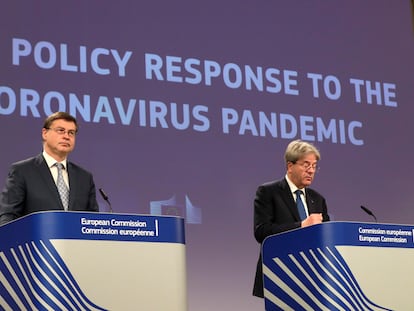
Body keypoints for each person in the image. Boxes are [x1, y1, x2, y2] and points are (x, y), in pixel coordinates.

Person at [252, 139, 330, 298]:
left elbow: (327, 238)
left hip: (313, 279)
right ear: (290, 166)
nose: (311, 170)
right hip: (280, 275)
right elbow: (261, 232)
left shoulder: (318, 199)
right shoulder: (268, 192)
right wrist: (301, 225)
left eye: (314, 166)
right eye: (306, 165)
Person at [0, 112, 99, 225]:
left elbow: (93, 221)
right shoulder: (22, 171)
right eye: (60, 131)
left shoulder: (84, 177)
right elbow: (8, 215)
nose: (66, 136)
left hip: (75, 242)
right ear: (45, 133)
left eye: (71, 133)